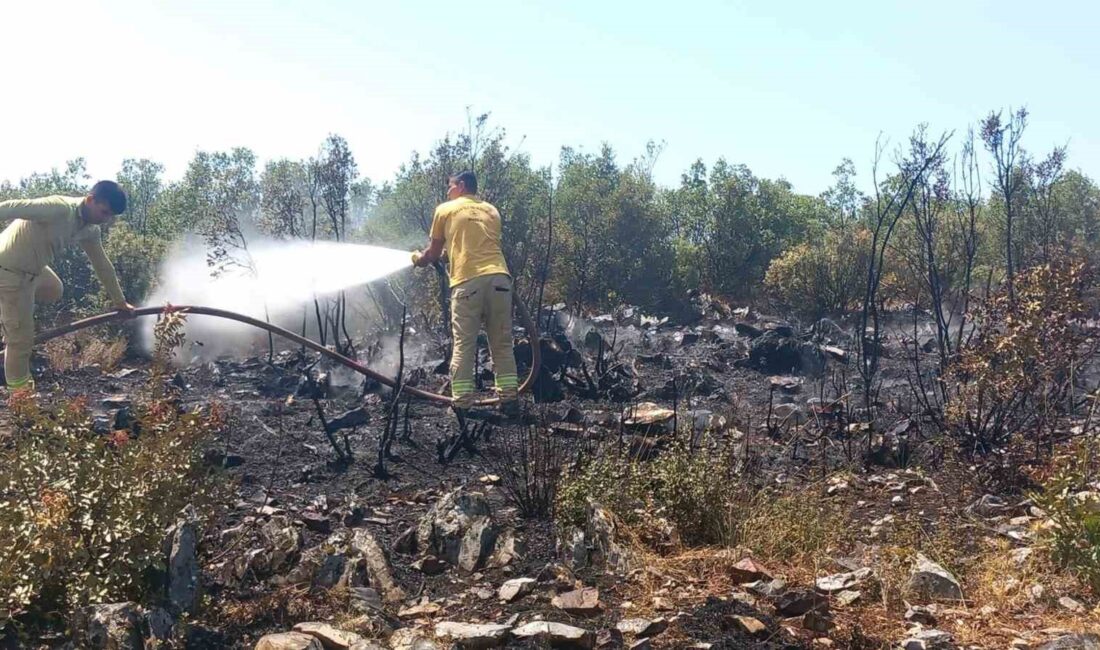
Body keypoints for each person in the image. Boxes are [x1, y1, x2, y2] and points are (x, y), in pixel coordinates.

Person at [0, 181, 136, 391]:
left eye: (110, 216)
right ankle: (20, 397)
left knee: (55, 289)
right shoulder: (58, 208)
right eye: (104, 212)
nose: (105, 219)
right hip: (8, 271)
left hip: (32, 271)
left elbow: (103, 266)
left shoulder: (90, 229)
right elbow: (8, 207)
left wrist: (120, 302)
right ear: (91, 200)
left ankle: (13, 314)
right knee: (20, 341)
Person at [412, 170, 519, 416]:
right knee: (502, 343)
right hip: (500, 280)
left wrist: (419, 259)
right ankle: (510, 402)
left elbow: (434, 253)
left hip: (467, 282)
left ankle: (461, 403)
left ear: (460, 186)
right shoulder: (492, 210)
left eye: (450, 186)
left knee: (464, 344)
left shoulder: (445, 209)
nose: (448, 192)